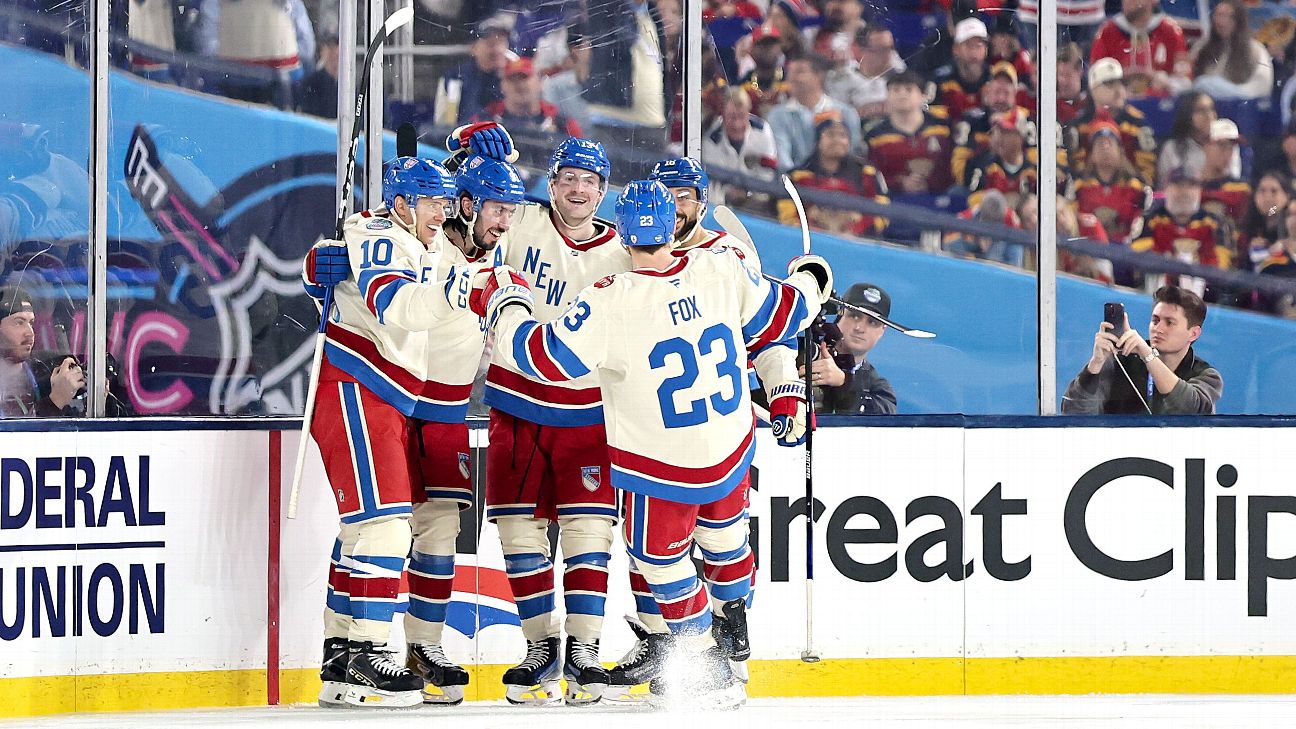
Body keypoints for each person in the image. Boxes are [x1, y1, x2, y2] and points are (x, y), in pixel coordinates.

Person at [479, 179, 830, 708]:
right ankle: (734, 630)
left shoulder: (612, 299)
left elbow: (543, 359)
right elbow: (785, 315)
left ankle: (708, 661)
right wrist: (813, 275)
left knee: (658, 561)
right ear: (672, 228)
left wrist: (506, 304)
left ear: (621, 235)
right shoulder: (721, 267)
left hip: (659, 464)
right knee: (725, 542)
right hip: (729, 450)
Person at [300, 152, 516, 708]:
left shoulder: (427, 240)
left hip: (398, 395)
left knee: (380, 528)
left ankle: (344, 659)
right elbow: (393, 303)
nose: (441, 213)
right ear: (401, 204)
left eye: (445, 203)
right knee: (385, 526)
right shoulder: (381, 233)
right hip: (359, 383)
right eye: (433, 203)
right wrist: (318, 264)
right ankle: (370, 655)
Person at [480, 137, 630, 706]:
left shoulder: (624, 250)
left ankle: (586, 650)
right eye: (568, 177)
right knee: (519, 531)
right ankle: (541, 647)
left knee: (589, 533)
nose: (578, 188)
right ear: (552, 183)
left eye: (589, 181)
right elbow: (467, 213)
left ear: (603, 190)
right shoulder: (520, 222)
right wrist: (462, 155)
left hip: (589, 410)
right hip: (514, 401)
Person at [1061, 286, 1222, 414]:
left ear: (1193, 333)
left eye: (1169, 322)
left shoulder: (1207, 376)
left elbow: (1189, 409)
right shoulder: (1120, 361)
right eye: (1155, 320)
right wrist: (1095, 365)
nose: (1158, 328)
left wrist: (1147, 354)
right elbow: (1073, 413)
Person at [780, 112, 888, 237]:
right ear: (818, 140)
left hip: (857, 243)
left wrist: (856, 230)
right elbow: (787, 215)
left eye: (843, 135)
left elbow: (882, 211)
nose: (837, 140)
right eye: (830, 135)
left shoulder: (867, 172)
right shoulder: (796, 175)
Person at [1131, 167, 1228, 298]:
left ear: (1200, 190)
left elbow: (1222, 266)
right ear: (1166, 188)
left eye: (1191, 186)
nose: (1184, 192)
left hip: (1205, 298)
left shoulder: (1214, 223)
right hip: (1154, 293)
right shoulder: (1150, 219)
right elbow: (1136, 257)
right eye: (1178, 185)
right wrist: (1172, 257)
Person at [807, 282, 897, 415]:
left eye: (872, 322)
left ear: (882, 331)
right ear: (840, 315)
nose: (859, 328)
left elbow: (882, 419)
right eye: (854, 316)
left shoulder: (878, 387)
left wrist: (844, 383)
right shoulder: (804, 353)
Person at [1065, 58, 1158, 182]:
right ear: (1093, 89)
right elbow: (1075, 168)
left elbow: (1148, 172)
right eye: (1109, 84)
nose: (1118, 89)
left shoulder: (1138, 123)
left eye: (1121, 83)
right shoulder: (1079, 125)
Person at [862, 70, 954, 195]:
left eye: (909, 89)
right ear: (887, 96)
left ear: (922, 96)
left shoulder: (943, 128)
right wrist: (900, 183)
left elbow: (951, 168)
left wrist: (929, 182)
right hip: (892, 200)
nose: (902, 94)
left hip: (941, 196)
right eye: (896, 90)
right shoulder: (875, 137)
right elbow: (872, 175)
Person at [0, 286, 84, 418]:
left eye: (31, 323)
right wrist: (56, 401)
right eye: (18, 323)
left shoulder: (45, 371)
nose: (30, 333)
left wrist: (101, 400)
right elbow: (13, 435)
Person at [767, 54, 861, 170]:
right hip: (797, 182)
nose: (792, 78)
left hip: (840, 183)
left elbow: (852, 155)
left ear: (819, 76)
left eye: (799, 72)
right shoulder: (778, 115)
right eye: (790, 72)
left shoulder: (846, 113)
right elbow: (782, 158)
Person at [1089, 0, 1191, 97]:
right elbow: (1095, 79)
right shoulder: (1108, 31)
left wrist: (1167, 82)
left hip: (1160, 104)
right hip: (1119, 106)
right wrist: (1119, 79)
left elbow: (1186, 83)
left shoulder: (1170, 31)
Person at [700, 87, 779, 210]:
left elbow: (768, 176)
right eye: (732, 117)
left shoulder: (762, 132)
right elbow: (711, 186)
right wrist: (729, 194)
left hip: (758, 202)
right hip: (723, 205)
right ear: (723, 115)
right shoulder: (711, 142)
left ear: (748, 112)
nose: (737, 124)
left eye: (741, 116)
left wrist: (748, 194)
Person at [435, 16, 511, 127]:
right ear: (474, 48)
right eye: (490, 44)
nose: (497, 50)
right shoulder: (454, 78)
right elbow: (444, 124)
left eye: (501, 43)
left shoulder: (518, 74)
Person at [1190, 0, 1273, 101]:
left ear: (1238, 20)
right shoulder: (1202, 47)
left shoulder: (1256, 49)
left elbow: (1262, 86)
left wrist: (1232, 92)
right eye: (1218, 15)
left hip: (1240, 106)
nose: (1220, 21)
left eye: (1226, 16)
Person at [930, 18, 990, 126]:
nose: (974, 53)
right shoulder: (940, 80)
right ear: (956, 49)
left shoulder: (995, 78)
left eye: (978, 46)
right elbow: (933, 118)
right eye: (968, 46)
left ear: (986, 49)